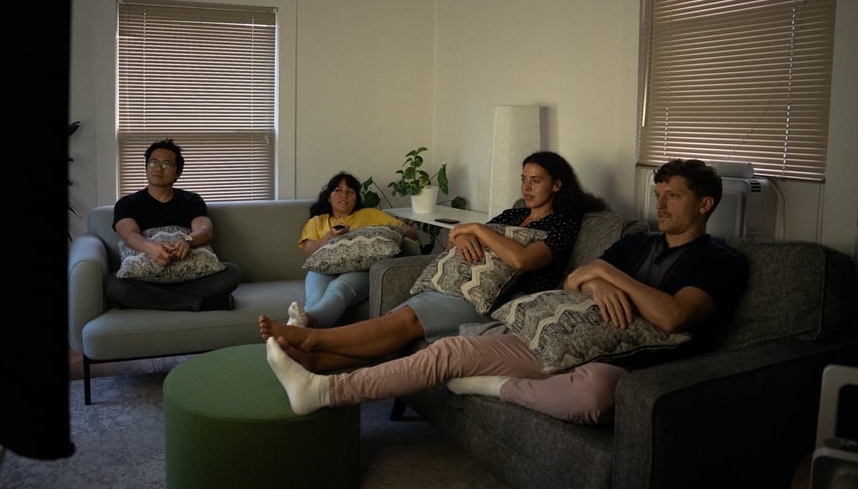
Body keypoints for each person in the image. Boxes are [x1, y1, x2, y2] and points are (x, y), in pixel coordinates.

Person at [264, 158, 749, 425]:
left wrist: (609, 276)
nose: (660, 205)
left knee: (596, 394)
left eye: (674, 196)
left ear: (705, 204)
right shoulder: (639, 241)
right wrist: (596, 278)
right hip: (557, 328)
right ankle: (321, 384)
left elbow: (671, 317)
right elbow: (574, 281)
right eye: (658, 194)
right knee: (447, 351)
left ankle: (492, 386)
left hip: (613, 354)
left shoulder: (718, 260)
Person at [260, 151, 607, 373]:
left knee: (405, 321)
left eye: (536, 181)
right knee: (399, 326)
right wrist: (467, 234)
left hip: (497, 300)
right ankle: (315, 363)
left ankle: (311, 340)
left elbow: (522, 259)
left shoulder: (562, 223)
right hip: (459, 286)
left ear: (557, 185)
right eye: (523, 179)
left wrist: (475, 229)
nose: (527, 187)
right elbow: (458, 235)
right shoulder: (516, 212)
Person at [107, 139, 240, 311]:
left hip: (189, 279)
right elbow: (129, 234)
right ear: (146, 167)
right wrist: (151, 248)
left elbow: (205, 230)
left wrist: (187, 240)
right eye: (153, 162)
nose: (157, 168)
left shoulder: (191, 200)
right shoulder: (127, 203)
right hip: (143, 279)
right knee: (113, 284)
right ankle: (197, 304)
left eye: (166, 164)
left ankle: (153, 300)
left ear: (178, 173)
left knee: (232, 273)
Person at [286, 171, 419, 329]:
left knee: (339, 287)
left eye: (350, 192)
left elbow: (412, 233)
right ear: (329, 197)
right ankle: (303, 327)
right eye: (338, 190)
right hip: (322, 270)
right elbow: (309, 253)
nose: (344, 195)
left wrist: (384, 234)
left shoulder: (371, 215)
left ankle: (298, 328)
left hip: (359, 270)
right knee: (315, 299)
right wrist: (330, 235)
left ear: (356, 198)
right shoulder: (317, 221)